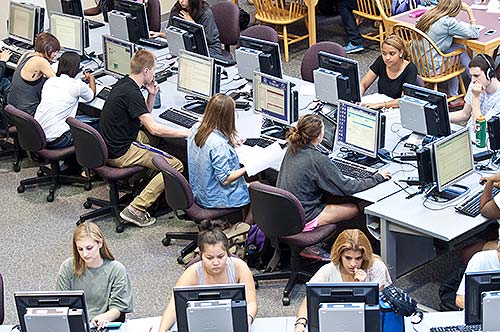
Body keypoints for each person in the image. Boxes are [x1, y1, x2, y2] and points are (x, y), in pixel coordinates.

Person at [277, 114, 390, 259]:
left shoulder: (293, 146)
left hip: (285, 213)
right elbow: (348, 187)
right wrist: (377, 178)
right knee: (355, 208)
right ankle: (313, 246)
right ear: (318, 137)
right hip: (303, 218)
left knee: (333, 197)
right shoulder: (317, 159)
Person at [100, 49, 189, 227]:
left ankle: (146, 177)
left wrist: (151, 94)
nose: (155, 74)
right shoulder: (132, 93)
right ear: (146, 71)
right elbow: (154, 128)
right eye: (154, 71)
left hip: (113, 142)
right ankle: (137, 208)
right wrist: (187, 133)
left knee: (157, 141)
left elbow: (144, 115)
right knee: (175, 165)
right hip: (121, 151)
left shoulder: (125, 84)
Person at [158, 220, 258, 332]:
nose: (216, 262)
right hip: (199, 323)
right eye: (209, 258)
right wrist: (162, 330)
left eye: (221, 256)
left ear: (228, 252)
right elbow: (174, 306)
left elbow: (251, 302)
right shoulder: (192, 272)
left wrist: (247, 321)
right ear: (201, 255)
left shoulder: (239, 267)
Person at [294, 229, 392, 332]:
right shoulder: (328, 270)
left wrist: (362, 286)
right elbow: (308, 302)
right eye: (348, 258)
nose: (353, 264)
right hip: (334, 322)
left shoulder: (376, 268)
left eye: (358, 258)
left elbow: (380, 308)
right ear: (340, 255)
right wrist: (300, 324)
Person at [56, 221, 133, 328]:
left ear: (100, 243)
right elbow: (61, 302)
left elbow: (118, 308)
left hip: (103, 325)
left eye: (89, 248)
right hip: (75, 324)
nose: (85, 254)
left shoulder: (116, 269)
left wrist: (105, 317)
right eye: (80, 249)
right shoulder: (68, 267)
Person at [187, 94, 249, 210]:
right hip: (217, 199)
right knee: (260, 188)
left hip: (200, 193)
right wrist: (249, 167)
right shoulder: (218, 145)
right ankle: (245, 226)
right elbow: (225, 179)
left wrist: (230, 144)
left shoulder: (196, 128)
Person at [415, 0, 479, 97]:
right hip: (432, 69)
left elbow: (417, 22)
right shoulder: (448, 22)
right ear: (456, 9)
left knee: (456, 48)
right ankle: (476, 80)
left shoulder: (429, 14)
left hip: (418, 64)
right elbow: (474, 33)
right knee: (460, 53)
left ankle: (454, 92)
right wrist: (469, 10)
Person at [34, 51, 96, 149]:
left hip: (39, 135)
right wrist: (91, 79)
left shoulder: (50, 81)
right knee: (97, 125)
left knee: (81, 118)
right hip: (58, 139)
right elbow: (91, 96)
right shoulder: (77, 86)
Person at [7, 32, 60, 116]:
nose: (55, 55)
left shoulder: (26, 54)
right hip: (27, 112)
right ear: (46, 49)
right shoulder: (41, 61)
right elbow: (57, 84)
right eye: (54, 52)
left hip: (13, 108)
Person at [360, 35, 418, 109]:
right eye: (384, 53)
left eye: (392, 54)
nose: (387, 58)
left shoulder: (410, 69)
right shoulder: (381, 61)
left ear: (401, 53)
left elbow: (404, 100)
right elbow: (363, 84)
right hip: (381, 102)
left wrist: (382, 105)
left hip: (396, 107)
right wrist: (358, 98)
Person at [149, 0, 222, 57]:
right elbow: (173, 33)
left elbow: (207, 39)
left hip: (209, 48)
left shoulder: (205, 13)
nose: (181, 1)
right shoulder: (177, 9)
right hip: (188, 46)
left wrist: (192, 24)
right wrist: (159, 34)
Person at [449, 54, 500, 125]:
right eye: (472, 75)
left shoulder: (498, 98)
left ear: (489, 74)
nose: (473, 80)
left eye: (476, 75)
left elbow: (480, 127)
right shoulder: (475, 84)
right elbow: (464, 114)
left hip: (485, 133)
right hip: (469, 130)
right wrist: (442, 117)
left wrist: (475, 97)